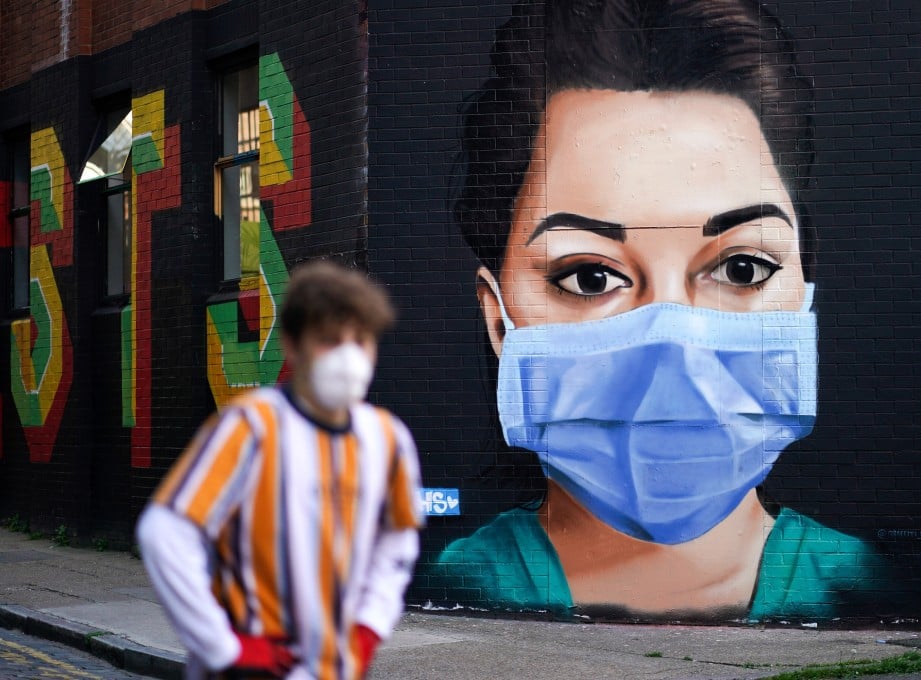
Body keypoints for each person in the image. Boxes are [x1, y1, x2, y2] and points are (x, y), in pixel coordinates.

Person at [430, 0, 882, 621]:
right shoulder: (457, 586)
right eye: (589, 276)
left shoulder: (865, 583)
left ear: (804, 296)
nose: (675, 348)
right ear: (498, 321)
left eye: (742, 268)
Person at [137, 260, 423, 679]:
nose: (348, 357)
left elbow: (397, 541)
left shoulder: (387, 438)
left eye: (360, 341)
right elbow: (165, 532)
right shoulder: (251, 427)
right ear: (293, 345)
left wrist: (368, 629)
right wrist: (222, 647)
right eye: (329, 340)